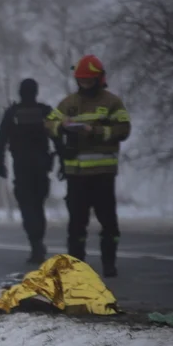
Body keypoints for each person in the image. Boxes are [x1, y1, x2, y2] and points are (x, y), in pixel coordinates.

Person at [44, 54, 132, 278]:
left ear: (99, 79)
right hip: (77, 174)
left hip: (103, 174)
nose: (85, 85)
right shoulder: (69, 103)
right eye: (81, 81)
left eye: (88, 81)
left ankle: (109, 264)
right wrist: (61, 127)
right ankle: (76, 267)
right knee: (76, 225)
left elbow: (124, 129)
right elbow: (49, 122)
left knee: (109, 224)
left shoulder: (112, 102)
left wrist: (97, 131)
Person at [0, 78, 55, 264]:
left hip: (22, 167)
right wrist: (63, 161)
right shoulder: (45, 112)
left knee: (28, 208)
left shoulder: (13, 113)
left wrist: (1, 164)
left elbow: (0, 142)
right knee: (38, 207)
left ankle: (35, 243)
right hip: (42, 166)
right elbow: (59, 138)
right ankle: (38, 243)